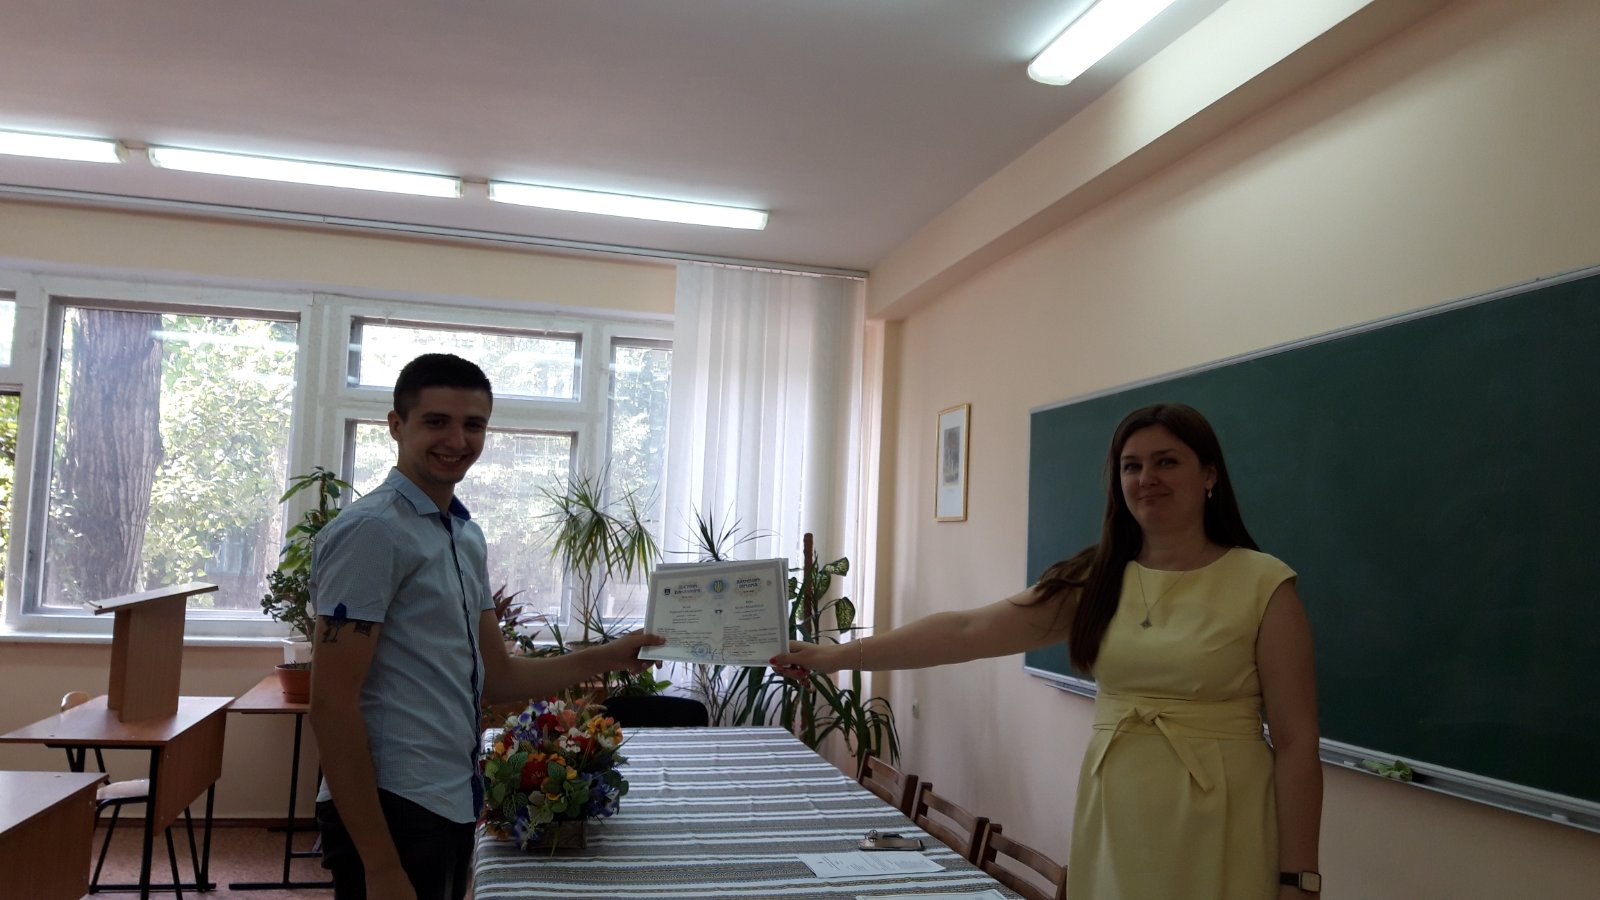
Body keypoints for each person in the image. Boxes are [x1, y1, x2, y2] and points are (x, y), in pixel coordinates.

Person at [773, 403, 1323, 899]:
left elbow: (1297, 742)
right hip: (1117, 810)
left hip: (1224, 817)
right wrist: (832, 656)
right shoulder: (1096, 578)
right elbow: (966, 631)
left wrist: (1299, 878)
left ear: (1209, 475)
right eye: (1131, 466)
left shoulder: (1263, 584)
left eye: (1167, 462)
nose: (1146, 478)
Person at [309, 353, 664, 900]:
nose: (457, 440)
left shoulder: (462, 536)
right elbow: (332, 704)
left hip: (451, 793)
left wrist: (611, 655)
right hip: (391, 803)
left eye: (473, 424)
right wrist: (379, 865)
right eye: (437, 421)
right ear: (396, 425)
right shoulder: (372, 532)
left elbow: (497, 678)